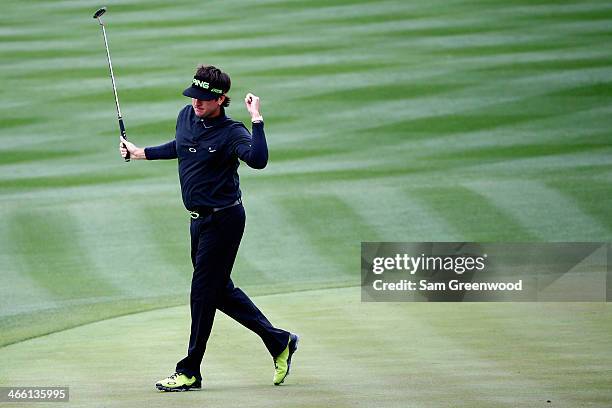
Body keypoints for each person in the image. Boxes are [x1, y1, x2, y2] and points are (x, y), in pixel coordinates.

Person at [119, 64, 299, 391]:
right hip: (198, 222)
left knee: (201, 294)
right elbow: (181, 146)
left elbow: (258, 160)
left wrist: (256, 117)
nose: (197, 103)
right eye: (194, 96)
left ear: (221, 99)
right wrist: (140, 153)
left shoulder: (232, 132)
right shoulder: (186, 117)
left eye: (204, 98)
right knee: (218, 291)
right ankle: (280, 341)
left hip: (225, 219)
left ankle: (189, 370)